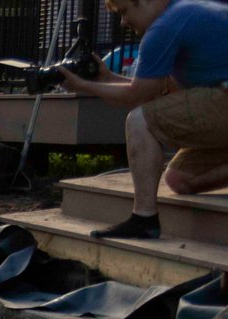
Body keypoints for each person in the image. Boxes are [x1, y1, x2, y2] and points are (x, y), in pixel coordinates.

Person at [59, 0, 228, 239]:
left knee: (140, 120)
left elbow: (137, 97)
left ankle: (144, 218)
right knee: (180, 179)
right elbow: (157, 89)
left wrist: (83, 86)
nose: (123, 21)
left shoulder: (165, 27)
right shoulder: (187, 13)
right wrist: (105, 79)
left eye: (125, 11)